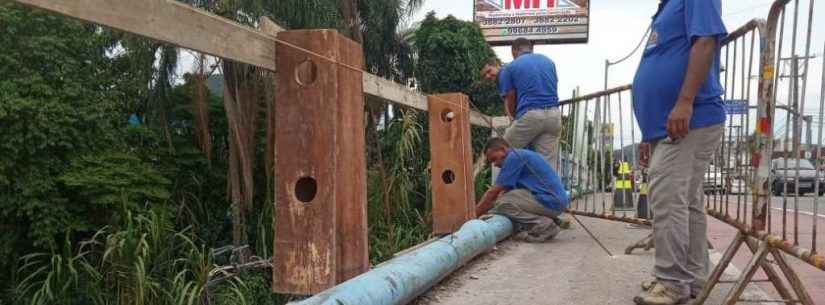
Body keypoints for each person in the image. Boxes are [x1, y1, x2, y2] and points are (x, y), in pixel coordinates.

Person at [632, 0, 727, 304]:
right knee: (686, 202)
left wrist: (686, 100)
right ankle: (696, 278)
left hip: (692, 118)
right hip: (668, 125)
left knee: (667, 196)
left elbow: (705, 41)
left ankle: (672, 282)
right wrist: (649, 134)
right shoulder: (667, 7)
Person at [480, 38, 561, 166]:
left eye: (489, 71)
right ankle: (544, 186)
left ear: (513, 51)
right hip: (554, 116)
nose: (488, 77)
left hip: (531, 116)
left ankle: (505, 186)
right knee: (546, 166)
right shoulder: (549, 62)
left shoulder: (510, 67)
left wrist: (513, 119)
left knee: (500, 151)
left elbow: (510, 97)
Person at [475, 138, 570, 242]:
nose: (495, 164)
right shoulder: (521, 155)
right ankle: (551, 220)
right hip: (555, 202)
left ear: (502, 149)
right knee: (505, 199)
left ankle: (544, 225)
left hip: (551, 202)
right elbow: (504, 192)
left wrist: (473, 216)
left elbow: (493, 193)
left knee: (502, 204)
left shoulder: (513, 158)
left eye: (494, 159)